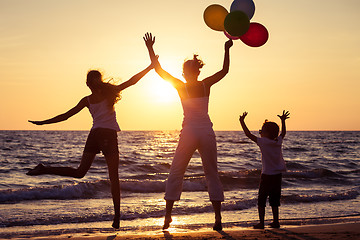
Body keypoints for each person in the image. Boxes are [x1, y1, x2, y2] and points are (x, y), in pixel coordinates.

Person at [26, 64, 154, 229]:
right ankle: (117, 217)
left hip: (95, 135)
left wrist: (43, 122)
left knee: (80, 172)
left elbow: (66, 116)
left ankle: (44, 169)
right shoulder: (109, 93)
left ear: (88, 84)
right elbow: (131, 82)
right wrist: (150, 67)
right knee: (113, 178)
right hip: (107, 135)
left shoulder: (87, 100)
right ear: (98, 82)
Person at [143, 32, 233, 231]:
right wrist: (226, 50)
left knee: (176, 172)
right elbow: (224, 70)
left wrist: (150, 48)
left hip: (190, 132)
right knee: (212, 173)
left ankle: (167, 217)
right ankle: (218, 218)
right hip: (206, 131)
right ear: (198, 72)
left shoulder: (180, 86)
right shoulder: (205, 84)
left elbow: (158, 70)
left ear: (184, 73)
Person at [239, 110, 290, 229]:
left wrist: (242, 121)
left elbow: (248, 134)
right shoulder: (278, 141)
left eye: (262, 130)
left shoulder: (263, 142)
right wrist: (283, 121)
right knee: (274, 200)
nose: (260, 132)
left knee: (261, 199)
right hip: (277, 175)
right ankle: (276, 221)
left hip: (267, 175)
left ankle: (261, 223)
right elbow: (283, 133)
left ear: (267, 133)